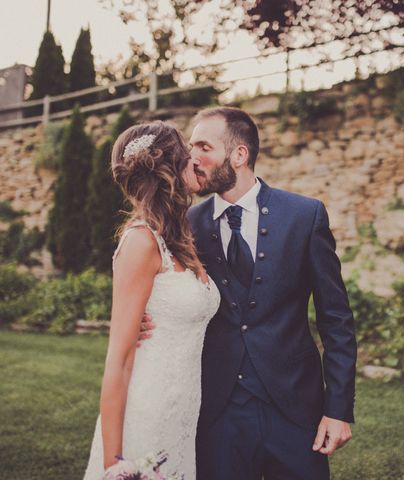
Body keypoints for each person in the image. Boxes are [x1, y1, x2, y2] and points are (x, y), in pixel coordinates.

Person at [141, 106, 358, 479]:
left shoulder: (304, 216)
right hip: (217, 414)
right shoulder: (187, 224)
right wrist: (144, 321)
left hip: (294, 411)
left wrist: (338, 409)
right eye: (191, 146)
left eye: (204, 147)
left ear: (239, 155)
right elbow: (166, 290)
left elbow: (336, 320)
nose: (192, 157)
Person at [83, 121, 221, 479]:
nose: (196, 157)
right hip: (147, 409)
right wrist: (114, 463)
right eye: (188, 150)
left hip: (182, 411)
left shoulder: (178, 238)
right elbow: (120, 359)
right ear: (172, 165)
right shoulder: (141, 242)